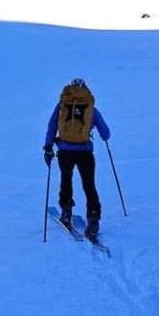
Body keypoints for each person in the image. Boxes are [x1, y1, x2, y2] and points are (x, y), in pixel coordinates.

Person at [44, 78, 110, 236]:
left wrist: (48, 147)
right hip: (85, 152)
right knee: (89, 185)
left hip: (65, 151)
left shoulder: (62, 106)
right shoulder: (90, 108)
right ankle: (93, 220)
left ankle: (66, 212)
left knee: (66, 180)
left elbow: (52, 125)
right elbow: (106, 133)